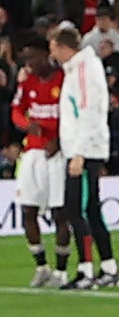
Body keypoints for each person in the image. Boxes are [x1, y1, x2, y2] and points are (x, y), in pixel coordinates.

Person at [52, 23, 118, 288]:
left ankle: (86, 270)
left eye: (53, 46)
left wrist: (78, 153)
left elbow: (88, 110)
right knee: (90, 209)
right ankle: (109, 267)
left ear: (63, 46)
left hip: (85, 150)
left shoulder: (82, 69)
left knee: (76, 208)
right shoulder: (79, 68)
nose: (52, 52)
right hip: (84, 148)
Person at [14, 41, 64, 287]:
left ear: (46, 55)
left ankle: (62, 271)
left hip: (57, 152)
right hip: (33, 152)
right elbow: (16, 111)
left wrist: (59, 140)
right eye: (26, 60)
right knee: (28, 210)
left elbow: (73, 114)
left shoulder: (63, 81)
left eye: (33, 58)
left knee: (59, 212)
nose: (30, 64)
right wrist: (26, 125)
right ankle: (42, 266)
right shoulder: (27, 83)